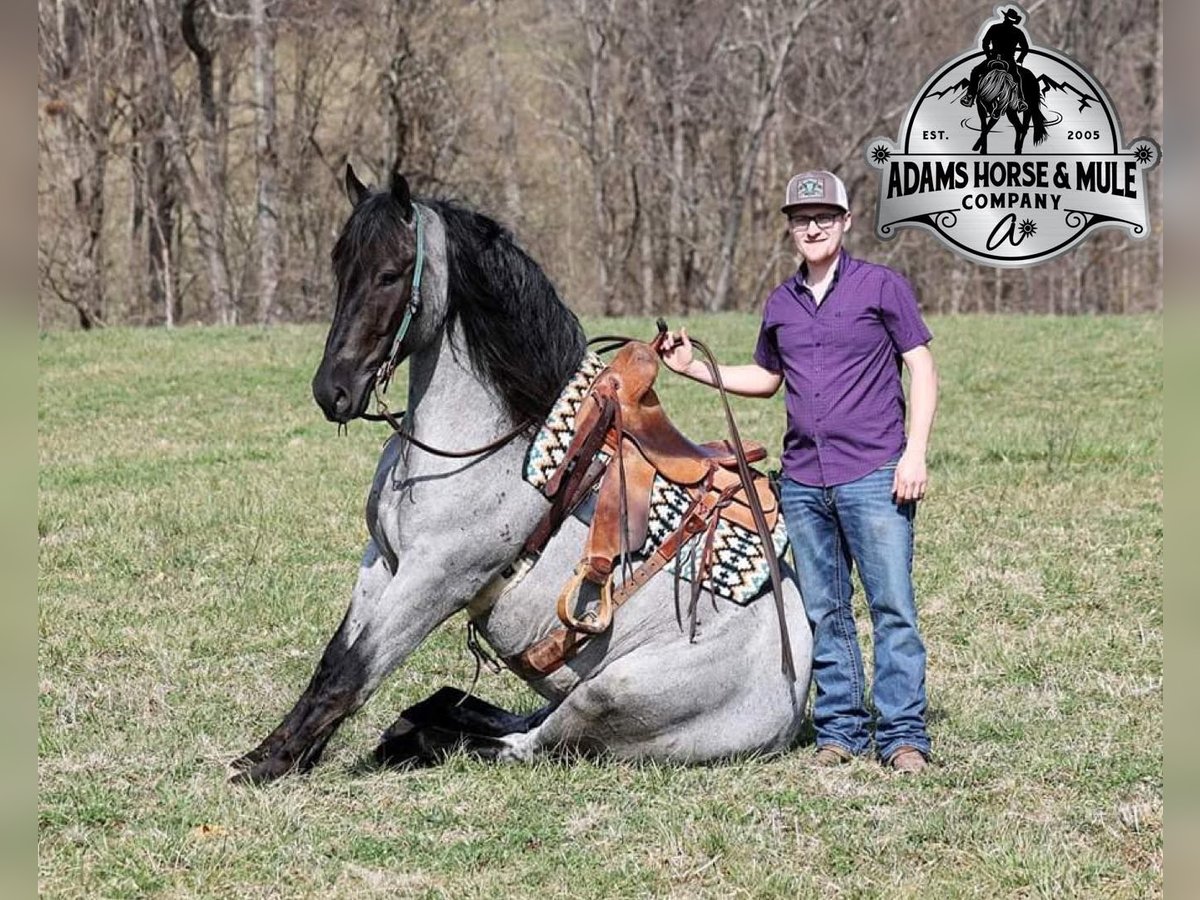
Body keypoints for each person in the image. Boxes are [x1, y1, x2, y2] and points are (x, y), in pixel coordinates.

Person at [658, 170, 938, 774]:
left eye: (824, 218)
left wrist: (914, 452)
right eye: (800, 220)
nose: (812, 228)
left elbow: (922, 368)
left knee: (892, 606)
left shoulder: (881, 287)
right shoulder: (781, 303)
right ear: (790, 230)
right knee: (824, 609)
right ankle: (839, 730)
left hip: (874, 472)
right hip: (806, 480)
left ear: (845, 222)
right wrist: (693, 370)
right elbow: (765, 379)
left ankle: (904, 737)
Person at [961, 7, 1030, 116]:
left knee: (975, 72)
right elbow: (1025, 48)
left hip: (993, 58)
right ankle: (1020, 100)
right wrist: (1020, 58)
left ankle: (970, 96)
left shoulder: (994, 28)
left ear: (1005, 17)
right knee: (1016, 77)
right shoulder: (1017, 32)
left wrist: (988, 55)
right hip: (1009, 60)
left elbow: (985, 43)